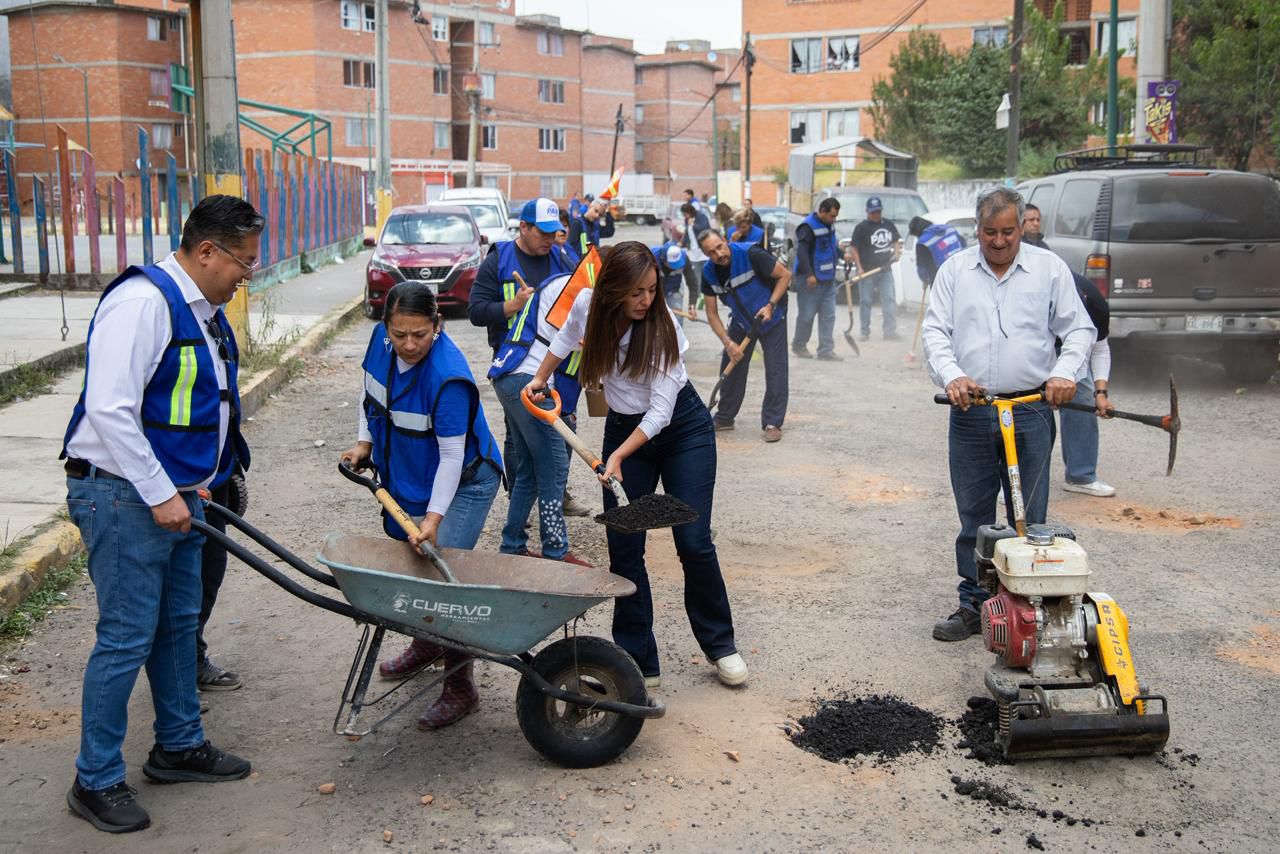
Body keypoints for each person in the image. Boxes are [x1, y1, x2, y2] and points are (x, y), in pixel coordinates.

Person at [60, 194, 261, 833]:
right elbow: (110, 409)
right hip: (122, 496)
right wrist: (161, 493)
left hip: (175, 495)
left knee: (177, 625)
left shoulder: (201, 309)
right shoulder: (142, 303)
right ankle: (94, 780)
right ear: (207, 251)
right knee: (126, 636)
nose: (246, 275)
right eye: (243, 263)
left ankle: (177, 745)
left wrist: (199, 482)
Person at [523, 241, 747, 689]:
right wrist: (541, 376)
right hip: (625, 429)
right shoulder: (589, 304)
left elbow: (661, 412)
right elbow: (565, 336)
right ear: (613, 291)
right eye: (636, 292)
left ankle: (721, 644)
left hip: (681, 431)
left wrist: (619, 455)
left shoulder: (663, 329)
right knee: (626, 548)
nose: (647, 300)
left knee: (694, 540)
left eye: (652, 289)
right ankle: (637, 658)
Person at [922, 187, 1095, 642]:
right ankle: (975, 605)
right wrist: (953, 376)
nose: (998, 241)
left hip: (1032, 407)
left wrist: (1063, 373)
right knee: (974, 515)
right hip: (973, 410)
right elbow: (935, 332)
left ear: (1022, 228)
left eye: (1007, 232)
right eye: (989, 232)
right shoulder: (955, 271)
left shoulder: (1049, 269)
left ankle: (1030, 610)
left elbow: (1079, 328)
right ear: (976, 230)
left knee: (1030, 516)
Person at [341, 282, 504, 728]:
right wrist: (363, 442)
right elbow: (370, 392)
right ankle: (427, 645)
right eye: (399, 334)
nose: (409, 345)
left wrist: (433, 520)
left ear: (437, 325)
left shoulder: (447, 377)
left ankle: (460, 685)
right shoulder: (382, 342)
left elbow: (452, 458)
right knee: (415, 571)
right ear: (386, 328)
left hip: (465, 482)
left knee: (443, 578)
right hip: (411, 474)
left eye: (420, 334)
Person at [468, 198, 582, 513]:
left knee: (565, 425)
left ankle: (557, 494)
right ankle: (521, 498)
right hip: (517, 365)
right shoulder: (500, 260)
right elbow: (476, 311)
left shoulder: (563, 259)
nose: (549, 240)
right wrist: (512, 306)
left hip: (561, 363)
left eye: (554, 232)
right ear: (523, 227)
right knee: (518, 436)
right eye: (542, 233)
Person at [487, 250, 595, 567]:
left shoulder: (567, 282)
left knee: (531, 472)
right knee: (554, 467)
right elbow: (584, 341)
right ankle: (555, 549)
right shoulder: (581, 293)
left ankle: (513, 544)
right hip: (529, 379)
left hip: (509, 376)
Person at [698, 229, 793, 443]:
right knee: (731, 366)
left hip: (771, 318)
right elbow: (712, 314)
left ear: (725, 240)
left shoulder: (750, 254)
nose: (718, 254)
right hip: (742, 322)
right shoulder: (708, 273)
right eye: (711, 252)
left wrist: (770, 305)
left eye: (720, 247)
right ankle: (725, 417)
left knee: (776, 368)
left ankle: (772, 422)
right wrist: (728, 342)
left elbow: (785, 275)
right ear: (706, 254)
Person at [1060, 273, 1117, 497]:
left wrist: (1101, 393)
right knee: (1032, 409)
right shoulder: (1037, 296)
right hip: (1033, 346)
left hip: (1074, 353)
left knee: (1081, 397)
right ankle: (1019, 482)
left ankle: (1080, 477)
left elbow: (1100, 349)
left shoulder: (1095, 304)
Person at [791, 198, 842, 361]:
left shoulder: (829, 224)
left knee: (829, 315)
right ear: (822, 211)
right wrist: (809, 275)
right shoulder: (807, 227)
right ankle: (799, 346)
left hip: (827, 279)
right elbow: (802, 253)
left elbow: (830, 246)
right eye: (832, 216)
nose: (834, 219)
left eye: (835, 216)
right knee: (807, 315)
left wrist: (842, 254)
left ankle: (826, 350)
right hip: (809, 280)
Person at [849, 196, 903, 341]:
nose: (876, 214)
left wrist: (896, 253)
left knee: (889, 300)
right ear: (867, 212)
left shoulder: (888, 225)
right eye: (873, 212)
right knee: (865, 301)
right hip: (867, 271)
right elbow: (853, 248)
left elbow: (896, 241)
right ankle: (864, 332)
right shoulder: (861, 228)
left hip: (885, 270)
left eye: (878, 211)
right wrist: (859, 268)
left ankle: (890, 332)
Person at [909, 215, 967, 289]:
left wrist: (925, 280)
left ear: (917, 232)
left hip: (940, 281)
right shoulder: (950, 229)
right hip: (961, 274)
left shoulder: (922, 242)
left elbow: (922, 268)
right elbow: (964, 245)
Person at [653, 242, 696, 325]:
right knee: (655, 317)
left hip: (675, 288)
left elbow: (692, 283)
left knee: (677, 318)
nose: (675, 268)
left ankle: (677, 337)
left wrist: (692, 305)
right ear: (663, 260)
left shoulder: (684, 258)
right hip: (655, 290)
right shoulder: (652, 258)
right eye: (672, 264)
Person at [679, 201, 711, 307]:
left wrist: (693, 225)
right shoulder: (687, 219)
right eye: (684, 215)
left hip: (702, 250)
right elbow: (687, 232)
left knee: (704, 271)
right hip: (692, 250)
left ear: (689, 211)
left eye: (685, 214)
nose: (685, 216)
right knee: (695, 272)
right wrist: (683, 243)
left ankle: (705, 294)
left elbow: (705, 230)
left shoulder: (701, 217)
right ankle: (698, 295)